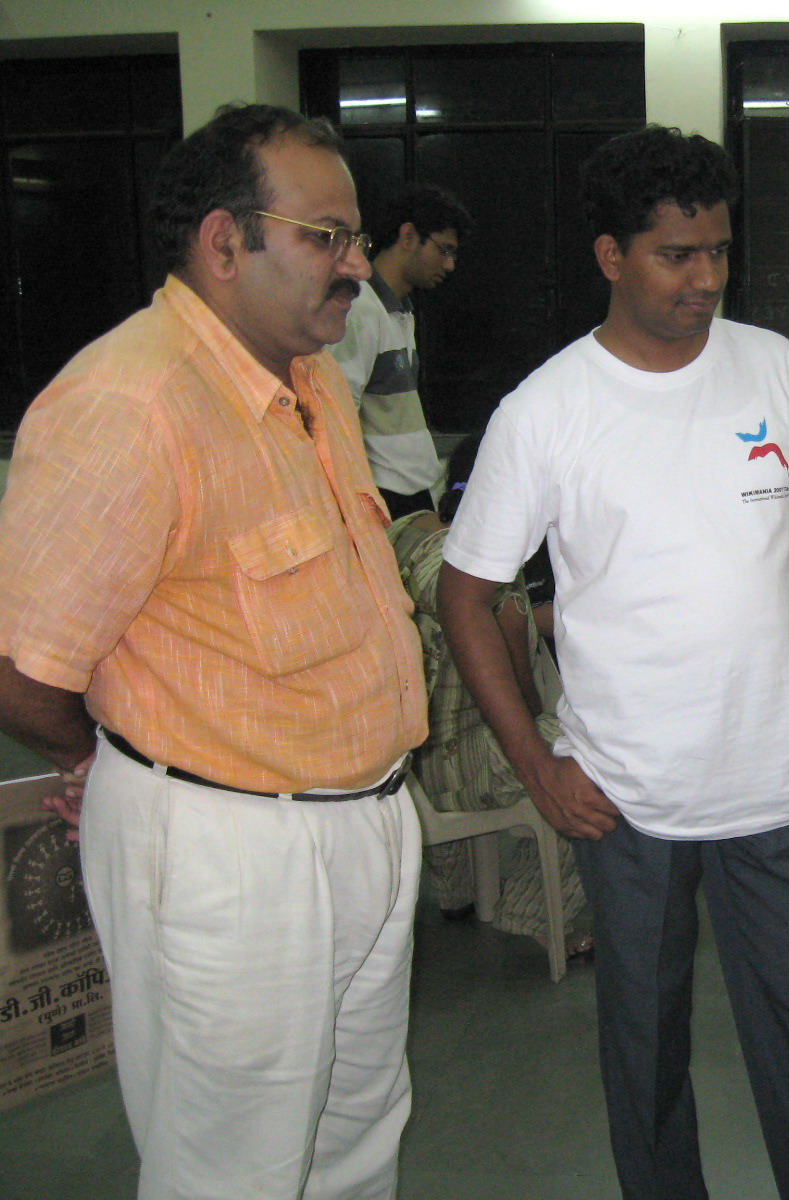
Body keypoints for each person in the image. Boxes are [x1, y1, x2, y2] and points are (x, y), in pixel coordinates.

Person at [437, 125, 789, 1200]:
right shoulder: (545, 412)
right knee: (643, 1058)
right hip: (627, 801)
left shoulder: (771, 366)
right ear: (609, 256)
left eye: (720, 252)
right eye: (676, 256)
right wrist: (537, 769)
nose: (706, 279)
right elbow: (467, 594)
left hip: (781, 786)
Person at [0, 103, 427, 1200]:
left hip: (367, 820)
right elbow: (23, 666)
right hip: (233, 853)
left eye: (356, 237)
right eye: (323, 236)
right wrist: (112, 758)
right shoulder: (129, 402)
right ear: (224, 242)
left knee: (356, 1140)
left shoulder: (309, 380)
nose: (353, 265)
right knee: (232, 1170)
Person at [388, 434, 591, 972]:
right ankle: (530, 912)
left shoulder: (401, 532)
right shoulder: (488, 578)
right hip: (458, 768)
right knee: (598, 763)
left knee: (449, 715)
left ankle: (457, 892)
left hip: (399, 761)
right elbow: (520, 702)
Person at [332, 182, 471, 518]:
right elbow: (338, 417)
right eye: (444, 250)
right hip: (384, 498)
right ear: (408, 237)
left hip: (414, 491)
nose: (450, 265)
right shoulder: (359, 309)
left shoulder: (400, 310)